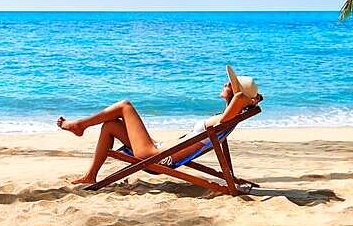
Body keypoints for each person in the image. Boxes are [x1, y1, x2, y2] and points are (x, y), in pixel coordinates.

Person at [57, 65, 259, 185]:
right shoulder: (225, 117)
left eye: (229, 84)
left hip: (155, 157)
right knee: (110, 125)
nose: (225, 84)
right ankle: (91, 176)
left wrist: (249, 99)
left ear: (236, 93)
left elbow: (240, 97)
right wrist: (250, 99)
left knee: (125, 106)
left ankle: (79, 126)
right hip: (158, 150)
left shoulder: (224, 118)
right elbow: (240, 98)